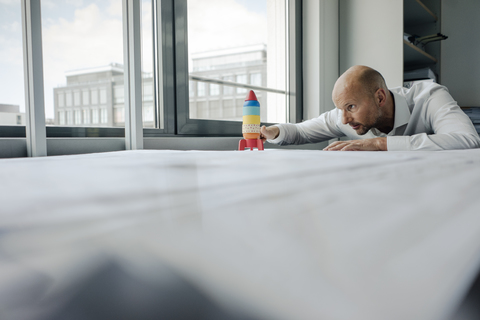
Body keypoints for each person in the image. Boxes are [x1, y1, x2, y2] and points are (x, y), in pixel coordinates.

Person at [260, 65, 480, 151]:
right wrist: (273, 132)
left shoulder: (430, 96)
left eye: (351, 107)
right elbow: (300, 131)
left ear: (380, 97)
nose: (344, 119)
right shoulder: (344, 116)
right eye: (340, 109)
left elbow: (468, 140)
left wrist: (378, 144)